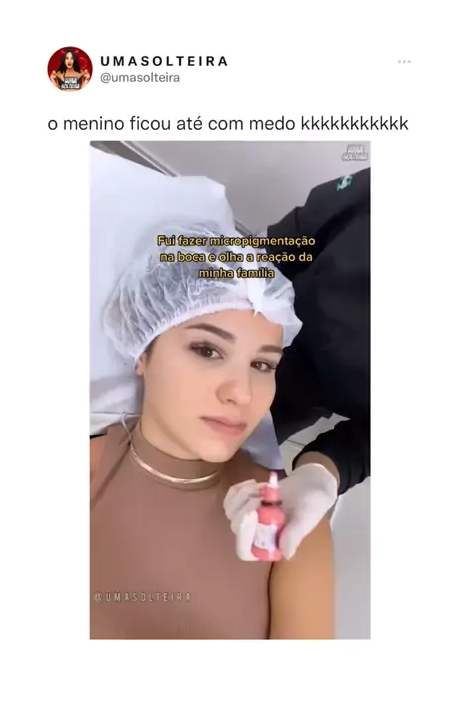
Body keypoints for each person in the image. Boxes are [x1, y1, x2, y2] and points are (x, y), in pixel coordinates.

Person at [90, 219, 336, 639]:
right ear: (141, 352)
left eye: (263, 364)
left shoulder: (290, 524)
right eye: (207, 350)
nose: (242, 393)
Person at [224, 168, 369, 560]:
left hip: (313, 391)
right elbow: (293, 241)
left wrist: (321, 475)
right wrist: (232, 294)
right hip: (256, 319)